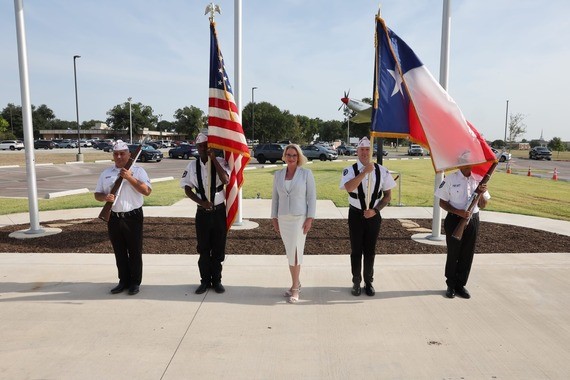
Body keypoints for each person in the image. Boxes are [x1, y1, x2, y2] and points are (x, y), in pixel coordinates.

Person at [339, 137, 396, 297]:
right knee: (356, 250)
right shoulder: (349, 170)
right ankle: (356, 281)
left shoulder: (382, 171)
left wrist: (375, 210)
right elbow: (349, 187)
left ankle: (369, 282)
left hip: (373, 215)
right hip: (356, 214)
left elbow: (387, 196)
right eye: (361, 149)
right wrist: (364, 172)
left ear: (372, 151)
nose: (364, 152)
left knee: (370, 251)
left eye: (367, 149)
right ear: (357, 151)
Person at [94, 140, 152, 295]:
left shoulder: (138, 171)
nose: (119, 157)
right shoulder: (106, 173)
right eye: (116, 154)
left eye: (122, 153)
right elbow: (97, 194)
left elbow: (146, 191)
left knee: (134, 251)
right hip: (114, 217)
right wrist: (105, 197)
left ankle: (135, 283)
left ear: (129, 155)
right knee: (119, 251)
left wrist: (129, 177)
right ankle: (123, 281)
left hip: (133, 216)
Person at [180, 133, 230, 294]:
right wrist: (201, 202)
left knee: (218, 248)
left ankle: (217, 281)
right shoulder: (192, 167)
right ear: (197, 147)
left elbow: (226, 180)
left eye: (207, 146)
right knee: (203, 248)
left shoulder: (221, 162)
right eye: (201, 146)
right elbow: (187, 189)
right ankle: (204, 281)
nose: (204, 149)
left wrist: (214, 159)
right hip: (202, 213)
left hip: (219, 211)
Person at [435, 165, 490, 299]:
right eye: (466, 163)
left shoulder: (479, 179)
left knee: (467, 253)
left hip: (473, 219)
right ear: (460, 164)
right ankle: (451, 285)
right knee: (454, 253)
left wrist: (481, 193)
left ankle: (461, 285)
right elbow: (442, 203)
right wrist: (457, 211)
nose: (469, 166)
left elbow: (483, 205)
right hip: (455, 220)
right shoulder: (450, 179)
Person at [271, 144, 316, 304]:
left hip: (299, 219)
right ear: (284, 156)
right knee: (290, 253)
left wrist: (310, 218)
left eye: (294, 155)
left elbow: (311, 198)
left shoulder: (306, 174)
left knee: (296, 252)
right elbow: (275, 199)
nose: (291, 158)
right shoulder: (278, 175)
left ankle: (295, 288)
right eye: (288, 155)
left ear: (299, 157)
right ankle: (295, 283)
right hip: (284, 219)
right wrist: (274, 219)